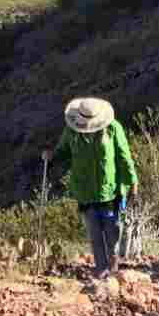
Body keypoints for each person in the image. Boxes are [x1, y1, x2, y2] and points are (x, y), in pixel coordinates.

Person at [44, 96, 138, 279]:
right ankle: (102, 272)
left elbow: (124, 157)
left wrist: (132, 182)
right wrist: (51, 156)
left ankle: (112, 268)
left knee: (112, 233)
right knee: (95, 234)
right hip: (84, 191)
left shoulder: (113, 128)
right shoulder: (72, 132)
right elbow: (63, 152)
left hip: (110, 191)